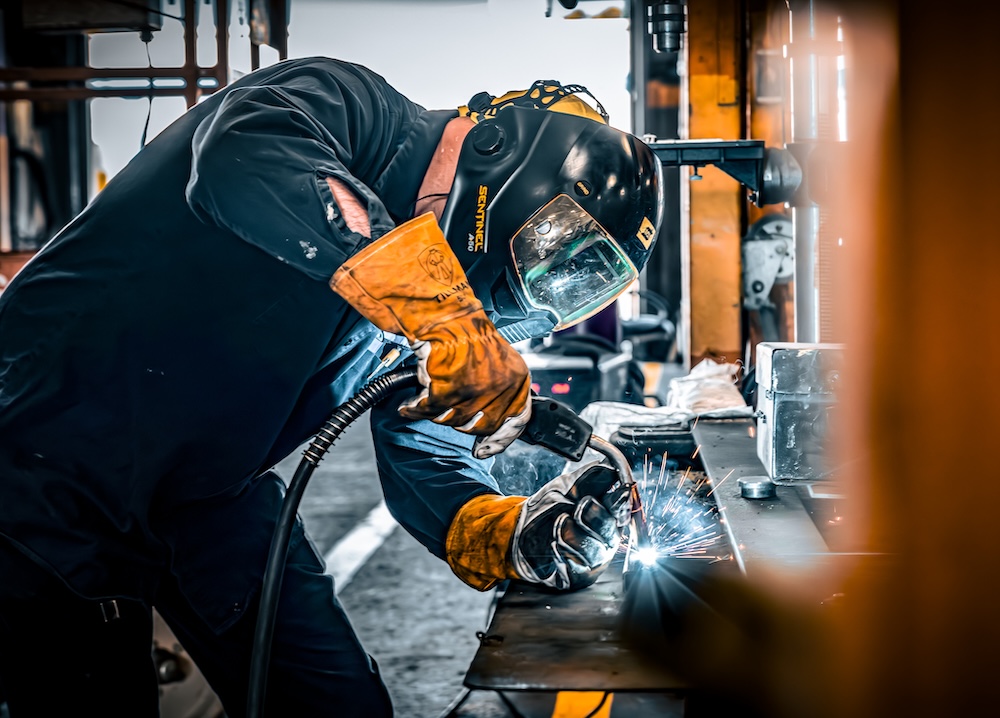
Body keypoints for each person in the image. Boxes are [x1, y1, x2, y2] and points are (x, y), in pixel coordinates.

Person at [0, 56, 663, 717]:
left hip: (208, 496)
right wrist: (440, 312)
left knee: (337, 706)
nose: (545, 292)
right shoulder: (346, 106)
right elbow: (243, 156)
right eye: (558, 258)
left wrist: (503, 531)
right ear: (511, 168)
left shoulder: (435, 294)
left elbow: (423, 431)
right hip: (44, 469)